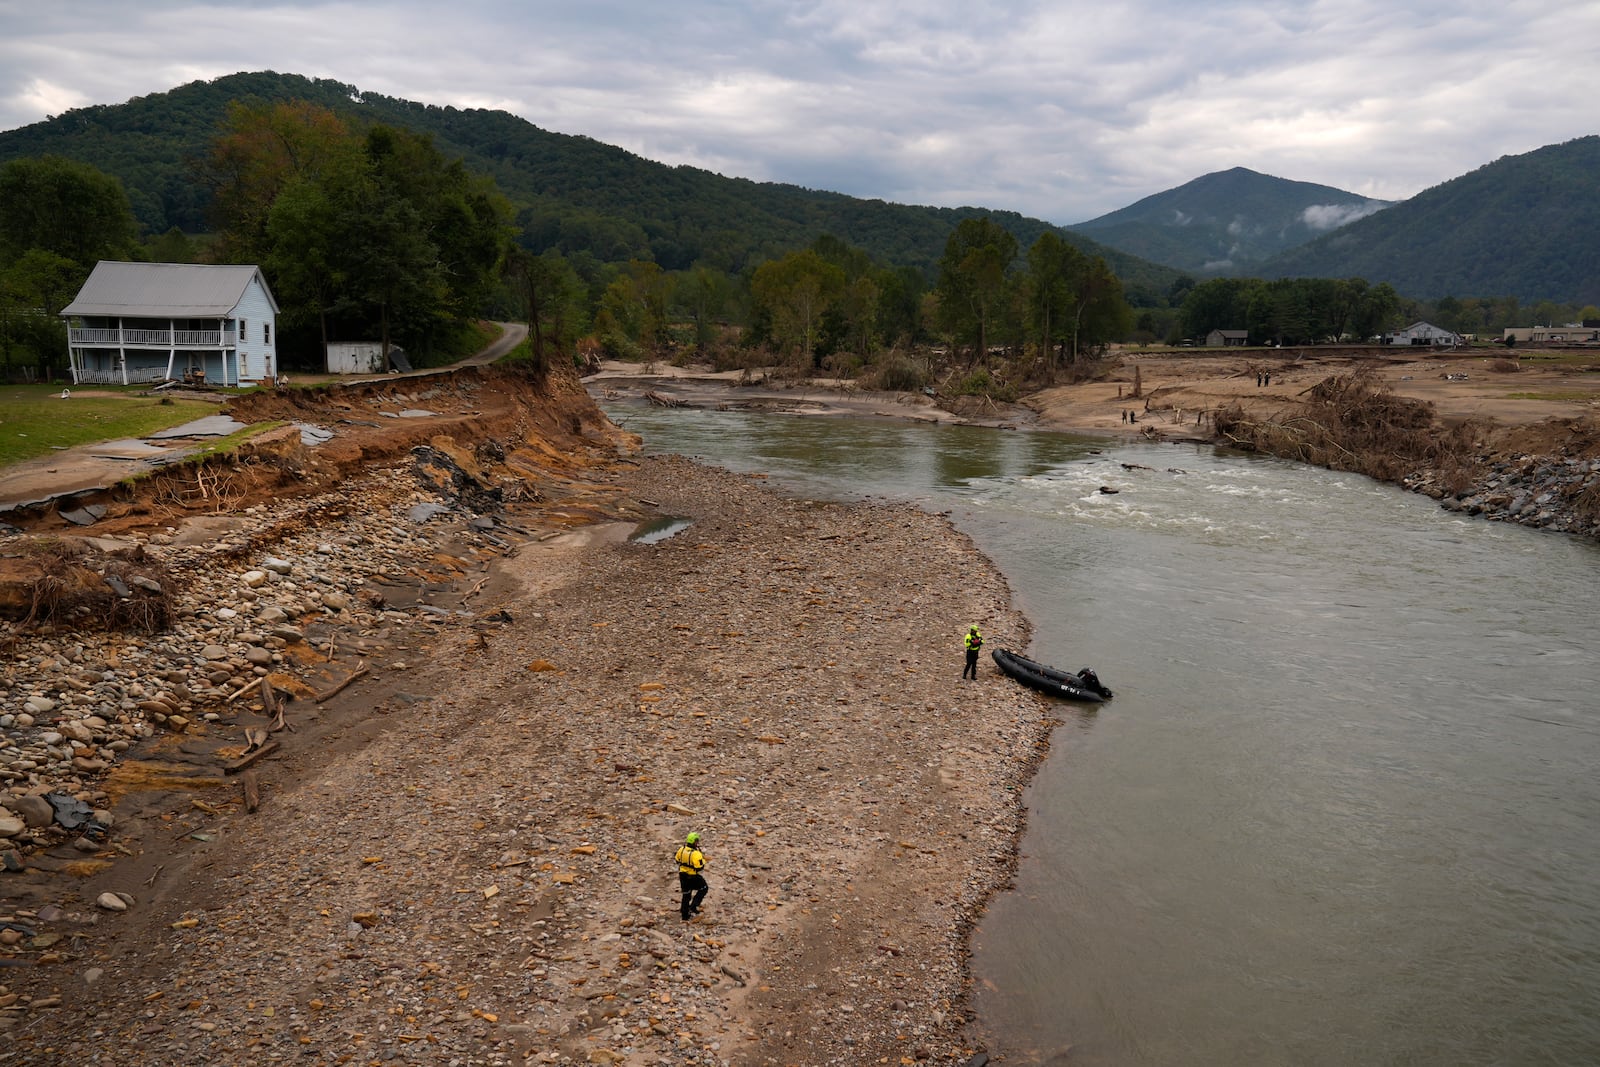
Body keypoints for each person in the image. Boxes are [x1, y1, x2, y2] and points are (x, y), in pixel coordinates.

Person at [675, 832, 708, 921]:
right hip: (692, 876)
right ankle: (693, 906)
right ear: (694, 842)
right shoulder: (696, 854)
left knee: (686, 894)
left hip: (682, 875)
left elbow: (677, 860)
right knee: (704, 888)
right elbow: (699, 867)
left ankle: (684, 915)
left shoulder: (681, 849)